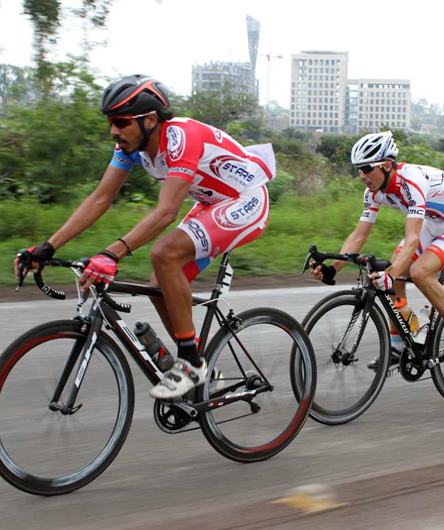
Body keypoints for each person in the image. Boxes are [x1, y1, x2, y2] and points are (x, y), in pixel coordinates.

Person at [14, 74, 275, 399]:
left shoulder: (181, 138)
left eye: (121, 122)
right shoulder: (131, 146)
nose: (114, 130)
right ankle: (202, 366)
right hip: (212, 203)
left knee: (164, 254)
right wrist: (47, 246)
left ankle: (190, 365)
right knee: (158, 284)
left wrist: (112, 254)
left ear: (150, 120)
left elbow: (166, 211)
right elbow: (100, 198)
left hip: (246, 200)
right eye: (111, 122)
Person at [312, 131, 444, 369]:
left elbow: (411, 240)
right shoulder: (373, 192)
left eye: (367, 168)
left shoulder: (412, 183)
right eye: (358, 169)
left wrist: (389, 276)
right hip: (432, 222)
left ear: (387, 165)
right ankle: (402, 340)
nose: (361, 176)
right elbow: (359, 235)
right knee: (396, 272)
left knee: (418, 272)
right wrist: (332, 268)